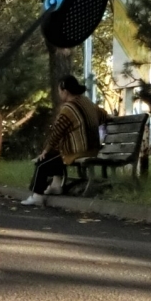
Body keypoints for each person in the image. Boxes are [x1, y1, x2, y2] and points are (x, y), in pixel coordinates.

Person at [22, 76, 110, 206]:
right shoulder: (86, 102)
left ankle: (37, 196)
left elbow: (56, 133)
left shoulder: (68, 108)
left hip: (79, 151)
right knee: (57, 152)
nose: (59, 93)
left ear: (65, 91)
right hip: (93, 149)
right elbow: (104, 115)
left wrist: (45, 150)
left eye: (59, 90)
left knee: (43, 162)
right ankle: (56, 185)